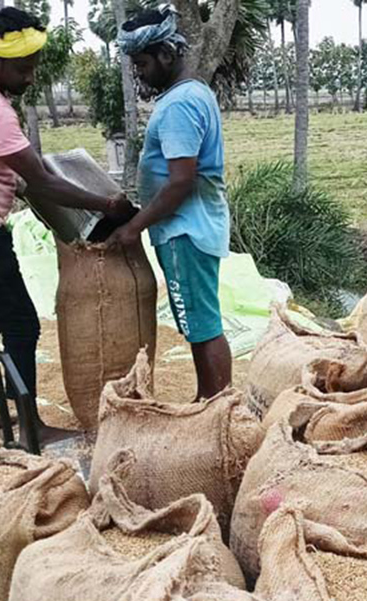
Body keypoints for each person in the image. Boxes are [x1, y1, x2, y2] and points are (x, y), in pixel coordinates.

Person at [0, 7, 134, 443]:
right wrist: (104, 204)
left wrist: (10, 181)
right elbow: (41, 180)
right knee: (22, 324)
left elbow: (7, 169)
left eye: (34, 66)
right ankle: (30, 430)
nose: (31, 77)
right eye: (24, 68)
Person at [107, 4, 233, 399]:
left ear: (166, 54)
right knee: (199, 323)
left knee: (203, 326)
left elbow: (180, 183)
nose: (139, 72)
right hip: (192, 228)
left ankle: (215, 406)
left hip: (185, 231)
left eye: (142, 63)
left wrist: (134, 227)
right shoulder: (191, 94)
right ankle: (210, 400)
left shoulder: (179, 105)